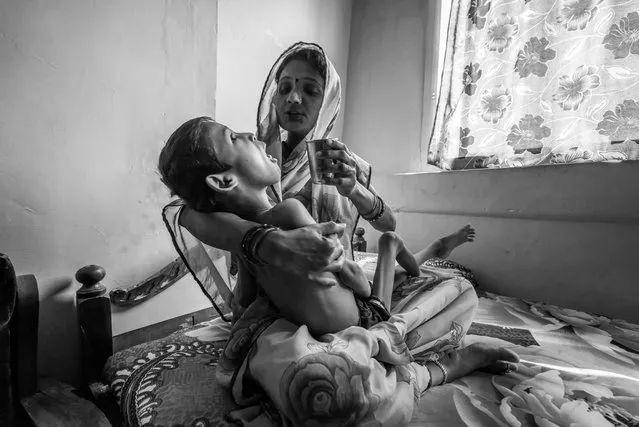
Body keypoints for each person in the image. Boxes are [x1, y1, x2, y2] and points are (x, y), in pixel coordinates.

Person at [161, 43, 519, 424]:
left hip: (346, 288)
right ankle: (407, 358)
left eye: (310, 90)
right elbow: (189, 213)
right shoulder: (260, 157)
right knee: (319, 383)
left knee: (457, 288)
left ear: (328, 100)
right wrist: (266, 247)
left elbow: (387, 226)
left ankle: (404, 326)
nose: (293, 98)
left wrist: (354, 189)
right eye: (284, 88)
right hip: (293, 310)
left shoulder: (344, 163)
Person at [159, 116, 431, 335]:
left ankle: (393, 246)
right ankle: (400, 250)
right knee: (381, 290)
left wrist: (355, 189)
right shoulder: (265, 219)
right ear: (223, 182)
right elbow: (249, 300)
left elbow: (244, 301)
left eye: (310, 91)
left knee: (379, 301)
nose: (250, 136)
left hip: (358, 316)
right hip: (341, 316)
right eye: (233, 137)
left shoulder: (296, 197)